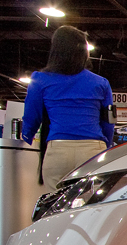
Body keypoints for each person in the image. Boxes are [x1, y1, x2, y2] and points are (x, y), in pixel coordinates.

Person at [21, 26, 114, 192]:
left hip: (58, 151)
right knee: (92, 203)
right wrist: (105, 145)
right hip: (93, 151)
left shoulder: (40, 79)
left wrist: (26, 137)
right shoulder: (101, 83)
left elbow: (31, 116)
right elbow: (109, 122)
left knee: (55, 203)